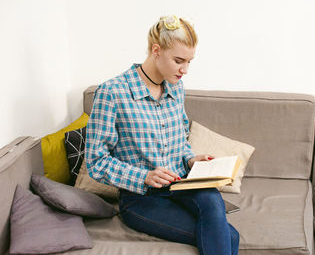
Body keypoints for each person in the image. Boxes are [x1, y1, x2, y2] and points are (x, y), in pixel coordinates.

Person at [85, 15, 239, 255]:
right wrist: (144, 176)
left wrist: (190, 159)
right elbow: (96, 161)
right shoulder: (112, 93)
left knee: (212, 202)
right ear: (156, 50)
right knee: (230, 236)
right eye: (179, 60)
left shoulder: (176, 88)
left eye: (189, 61)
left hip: (182, 183)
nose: (185, 70)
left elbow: (180, 138)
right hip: (141, 198)